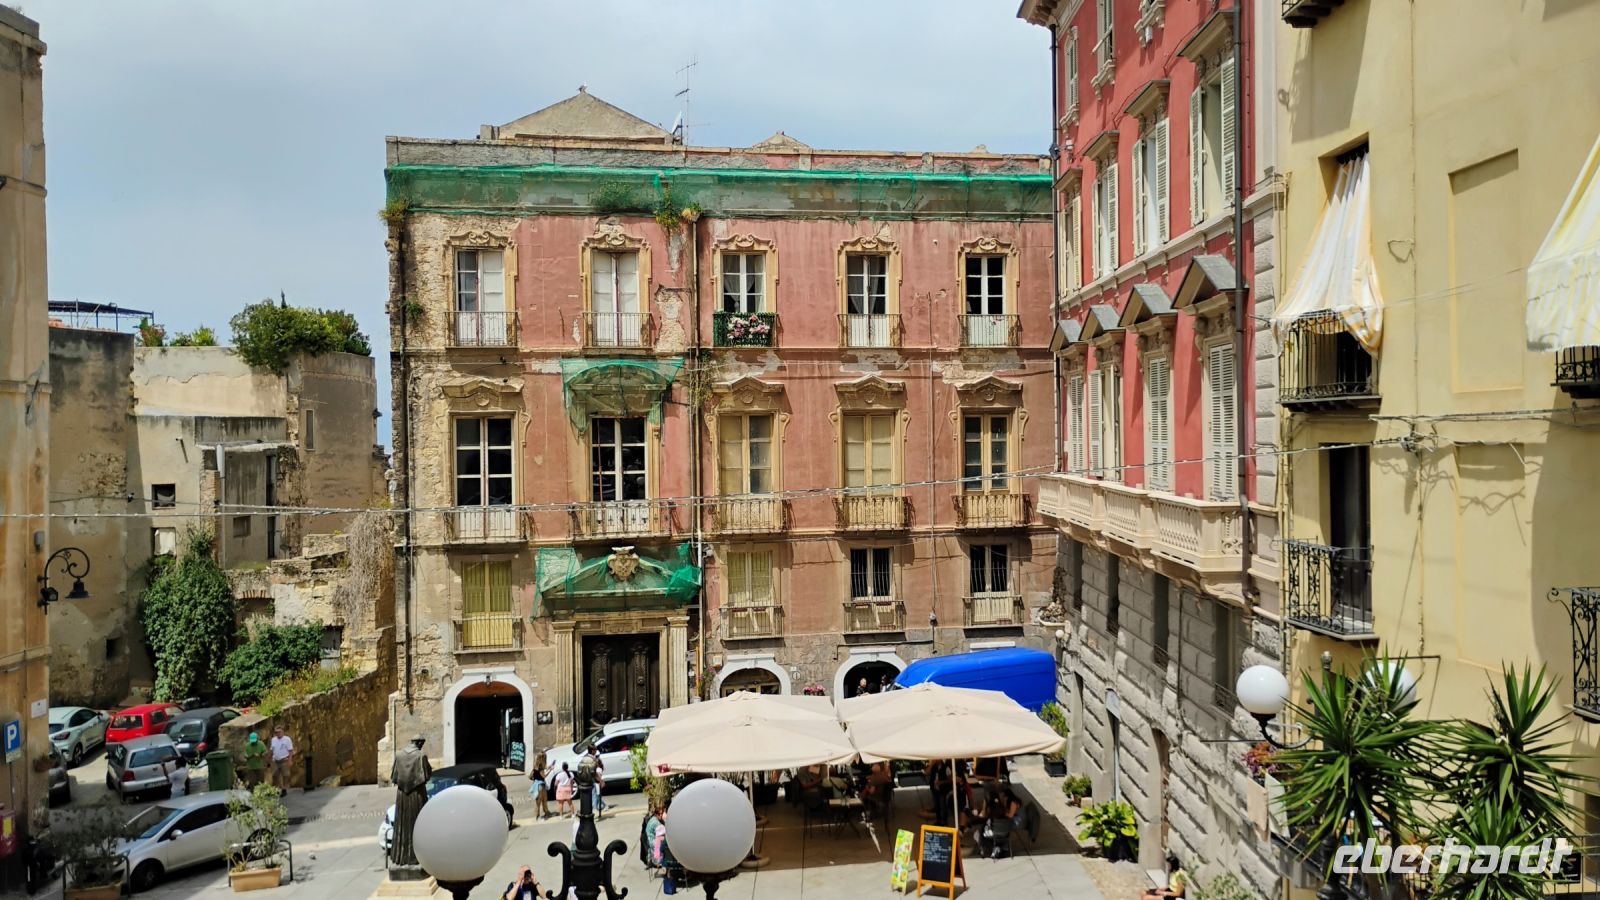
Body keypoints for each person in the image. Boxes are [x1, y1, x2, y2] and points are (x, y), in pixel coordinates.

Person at [269, 726, 294, 793]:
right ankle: (277, 788)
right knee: (275, 775)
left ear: (283, 732)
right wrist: (269, 758)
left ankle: (284, 788)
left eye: (279, 732)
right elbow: (271, 750)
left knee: (285, 775)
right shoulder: (273, 739)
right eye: (276, 732)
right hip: (275, 760)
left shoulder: (287, 739)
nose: (278, 733)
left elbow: (290, 750)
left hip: (284, 760)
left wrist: (290, 760)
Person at [586, 747, 606, 817]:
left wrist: (601, 781)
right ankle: (601, 806)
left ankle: (595, 808)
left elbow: (596, 775)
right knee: (597, 796)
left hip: (595, 783)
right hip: (595, 782)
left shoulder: (597, 768)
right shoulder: (598, 766)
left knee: (595, 796)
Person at [530, 751, 550, 820]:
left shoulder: (535, 766)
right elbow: (544, 776)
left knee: (538, 802)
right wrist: (550, 770)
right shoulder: (541, 768)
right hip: (541, 786)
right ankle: (539, 815)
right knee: (543, 800)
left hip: (536, 784)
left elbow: (544, 768)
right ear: (542, 759)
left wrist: (548, 767)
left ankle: (540, 814)